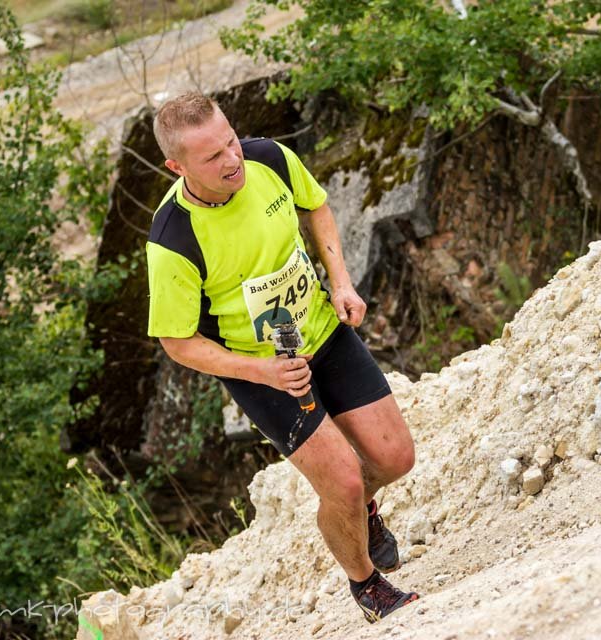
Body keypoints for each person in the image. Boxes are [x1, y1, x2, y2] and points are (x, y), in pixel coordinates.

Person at [145, 93, 419, 624]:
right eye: (212, 157)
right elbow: (177, 343)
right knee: (340, 480)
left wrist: (340, 281)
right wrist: (262, 370)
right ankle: (367, 584)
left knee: (394, 458)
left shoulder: (267, 158)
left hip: (321, 330)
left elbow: (315, 205)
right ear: (176, 167)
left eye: (230, 141)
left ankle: (361, 507)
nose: (231, 161)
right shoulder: (173, 239)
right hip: (262, 370)